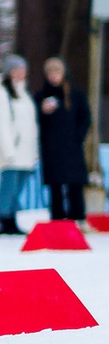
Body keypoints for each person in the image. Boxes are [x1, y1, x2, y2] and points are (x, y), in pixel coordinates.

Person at [33, 56, 90, 225]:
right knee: (55, 186)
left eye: (57, 72)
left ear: (64, 73)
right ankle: (57, 220)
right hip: (51, 149)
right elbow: (35, 121)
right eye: (50, 73)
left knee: (75, 184)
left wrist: (78, 137)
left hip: (72, 147)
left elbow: (85, 118)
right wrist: (42, 112)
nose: (54, 76)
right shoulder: (41, 96)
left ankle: (77, 217)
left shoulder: (75, 95)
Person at [0, 55, 36, 236]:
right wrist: (8, 150)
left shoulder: (24, 94)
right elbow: (3, 123)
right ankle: (4, 219)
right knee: (8, 189)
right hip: (12, 152)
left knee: (17, 190)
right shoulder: (3, 93)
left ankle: (11, 220)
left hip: (26, 152)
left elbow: (31, 124)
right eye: (17, 70)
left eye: (23, 70)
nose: (21, 73)